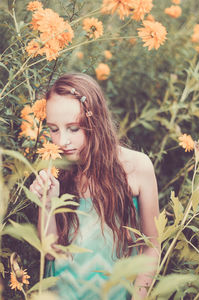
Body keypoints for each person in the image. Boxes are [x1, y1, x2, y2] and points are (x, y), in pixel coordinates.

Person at [30, 73, 159, 300]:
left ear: (95, 121)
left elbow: (152, 246)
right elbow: (50, 253)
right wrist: (48, 202)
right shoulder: (56, 171)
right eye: (53, 129)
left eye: (73, 128)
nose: (61, 142)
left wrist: (139, 296)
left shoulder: (138, 167)